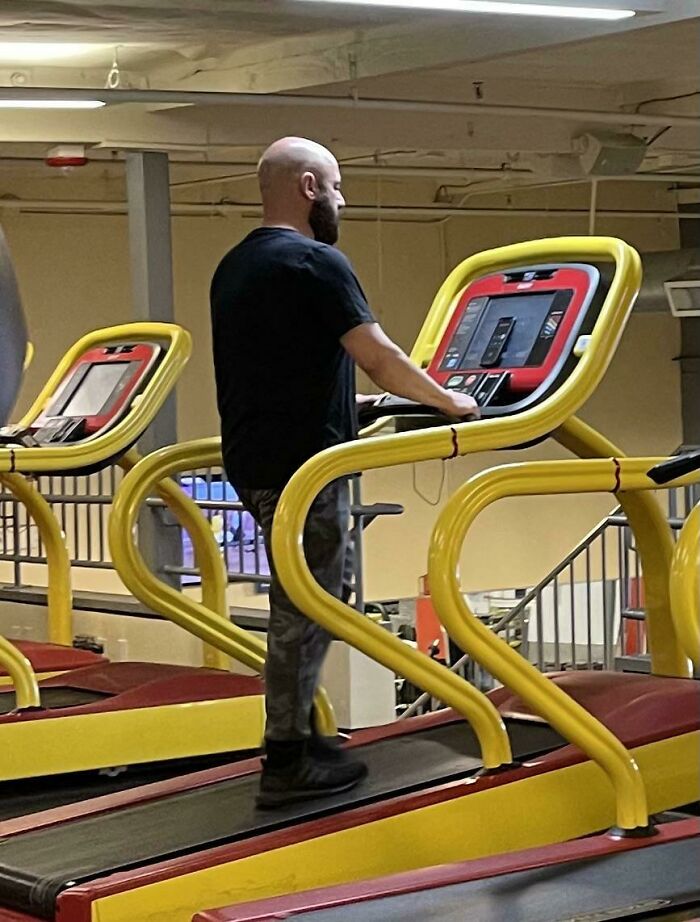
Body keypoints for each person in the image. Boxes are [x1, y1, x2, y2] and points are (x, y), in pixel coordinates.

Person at [210, 136, 479, 809]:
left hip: (257, 459)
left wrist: (347, 404)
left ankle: (297, 736)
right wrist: (451, 401)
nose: (342, 201)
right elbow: (378, 355)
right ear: (307, 187)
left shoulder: (237, 264)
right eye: (336, 187)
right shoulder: (316, 260)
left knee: (317, 597)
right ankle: (288, 758)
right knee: (306, 606)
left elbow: (275, 363)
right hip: (305, 466)